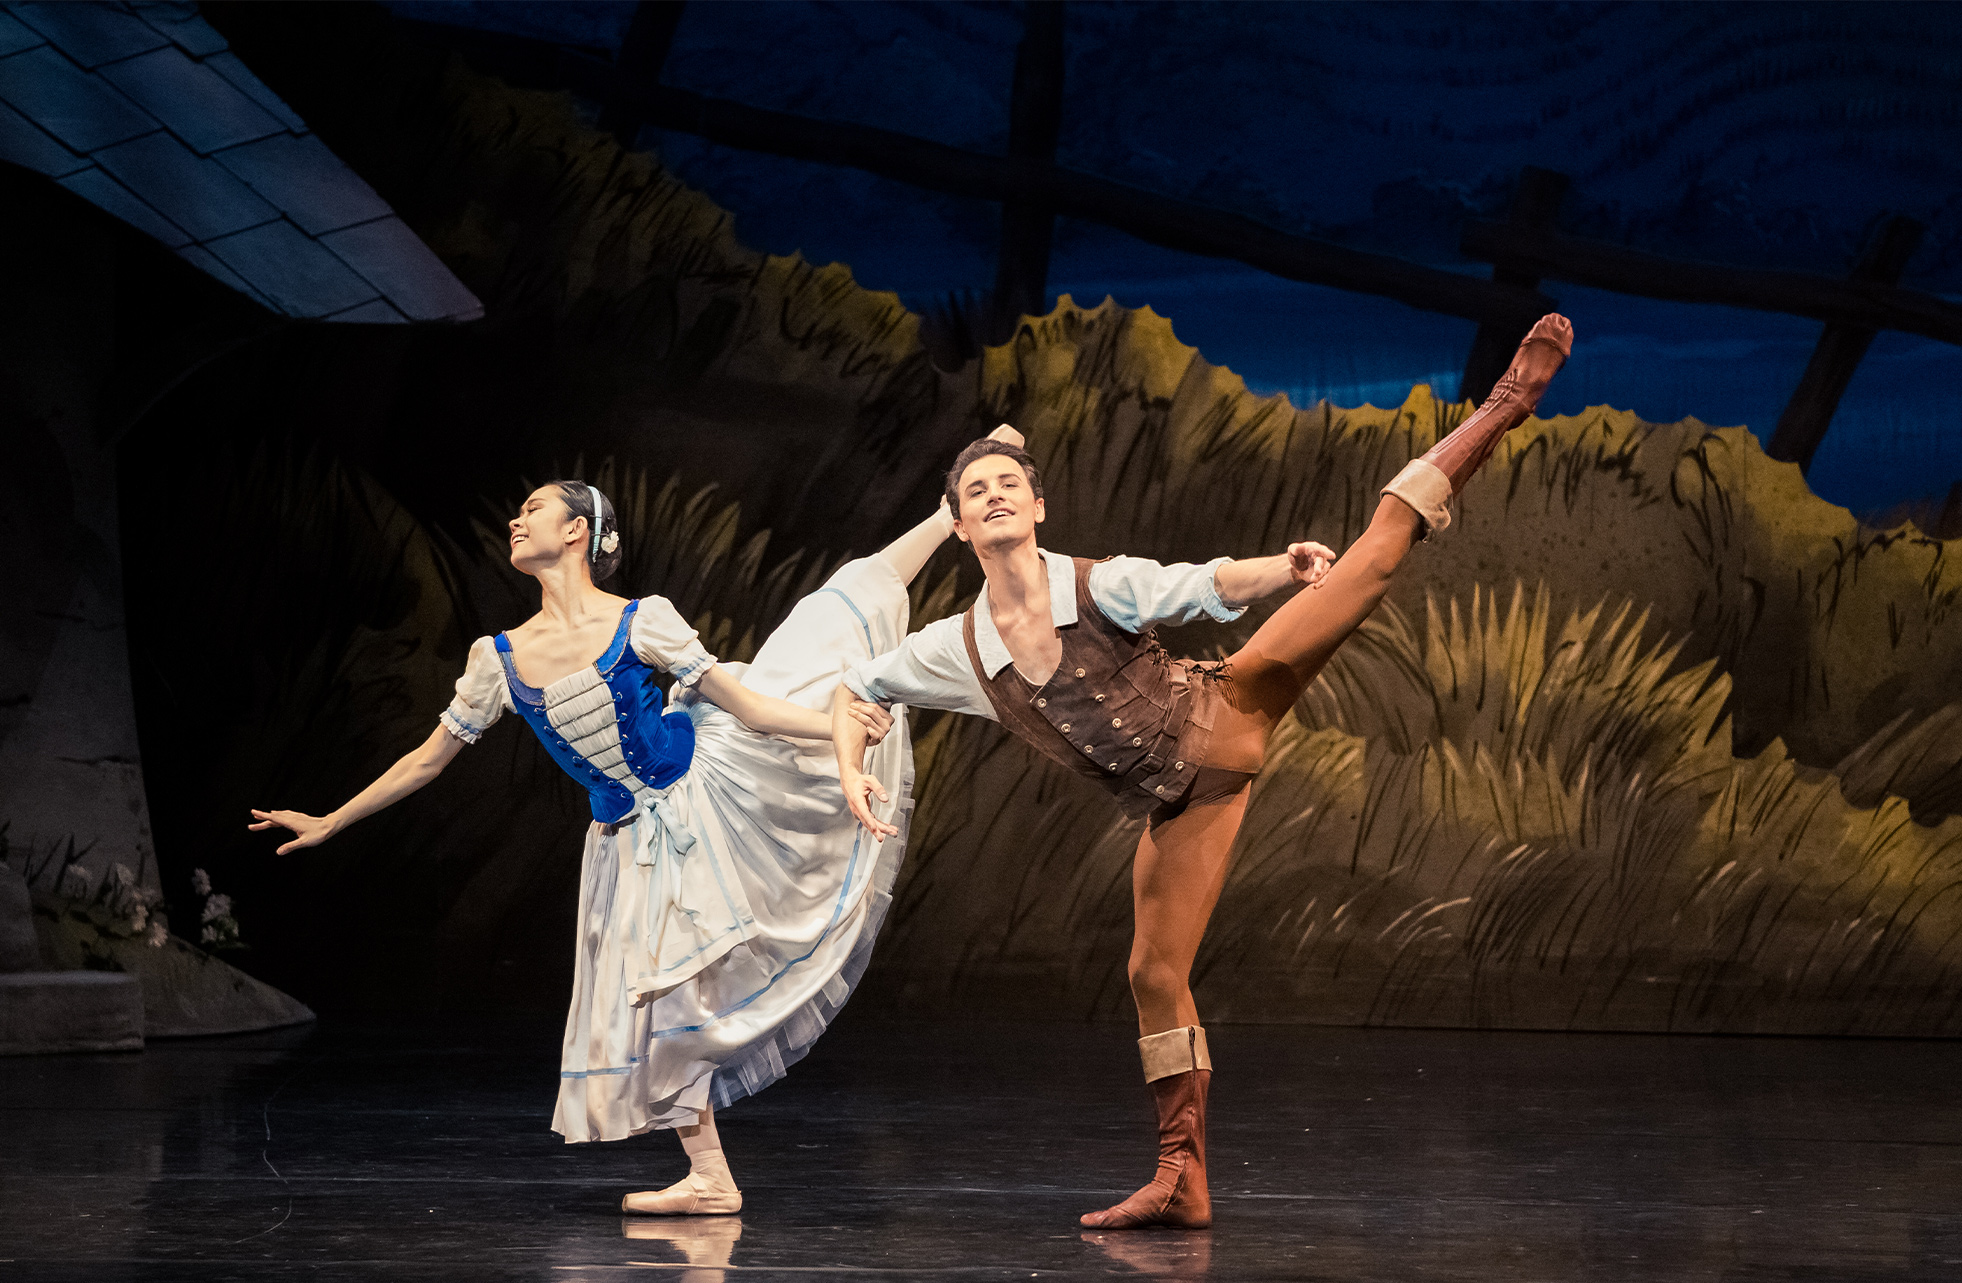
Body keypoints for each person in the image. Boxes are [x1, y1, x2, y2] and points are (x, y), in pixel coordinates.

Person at [832, 315, 1574, 1230]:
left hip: (1229, 709)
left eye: (1008, 483)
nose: (992, 496)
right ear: (954, 524)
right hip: (1182, 800)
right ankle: (1182, 1176)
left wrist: (1285, 567)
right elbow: (854, 688)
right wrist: (851, 763)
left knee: (1378, 550)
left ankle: (1504, 406)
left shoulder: (1097, 585)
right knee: (1152, 971)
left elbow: (1201, 584)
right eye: (974, 489)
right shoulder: (956, 650)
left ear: (1036, 508)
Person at [251, 479, 956, 1216]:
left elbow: (744, 704)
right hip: (624, 842)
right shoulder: (498, 657)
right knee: (655, 1000)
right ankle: (711, 1175)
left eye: (533, 508)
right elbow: (427, 760)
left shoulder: (642, 621)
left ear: (580, 530)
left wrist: (839, 737)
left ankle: (942, 518)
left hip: (702, 802)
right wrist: (331, 820)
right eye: (517, 510)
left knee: (824, 623)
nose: (517, 519)